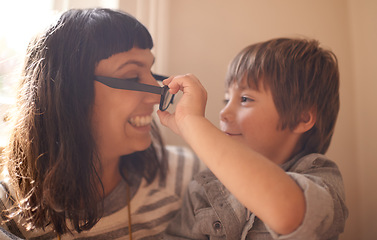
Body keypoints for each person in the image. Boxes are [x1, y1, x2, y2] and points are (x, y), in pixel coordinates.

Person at [0, 8, 204, 239]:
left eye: (150, 72)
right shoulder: (7, 212)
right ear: (67, 94)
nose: (158, 96)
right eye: (130, 77)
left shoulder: (188, 176)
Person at [158, 38, 348, 239]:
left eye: (245, 99)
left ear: (302, 118)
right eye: (226, 99)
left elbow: (287, 213)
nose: (223, 112)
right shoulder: (203, 189)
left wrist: (193, 122)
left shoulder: (322, 177)